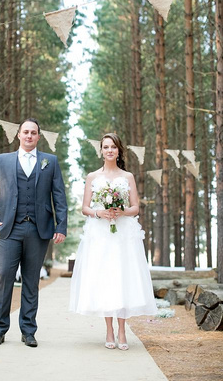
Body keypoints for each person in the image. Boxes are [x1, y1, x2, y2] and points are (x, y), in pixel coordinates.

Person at [0, 117, 67, 347]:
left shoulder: (50, 161)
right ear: (18, 135)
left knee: (31, 281)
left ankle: (28, 331)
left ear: (39, 137)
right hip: (9, 230)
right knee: (4, 279)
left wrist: (61, 227)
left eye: (33, 133)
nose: (29, 136)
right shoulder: (4, 160)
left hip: (39, 230)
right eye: (25, 132)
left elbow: (59, 197)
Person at [69, 133, 157, 350]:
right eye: (106, 147)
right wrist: (100, 213)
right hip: (100, 234)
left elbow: (135, 206)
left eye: (113, 147)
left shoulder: (127, 177)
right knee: (105, 278)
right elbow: (85, 207)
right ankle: (109, 330)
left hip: (122, 234)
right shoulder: (92, 176)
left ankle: (122, 330)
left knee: (122, 278)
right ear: (101, 150)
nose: (109, 150)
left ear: (119, 151)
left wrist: (122, 211)